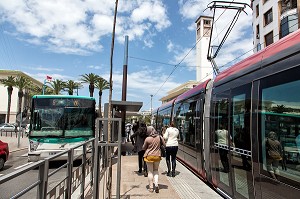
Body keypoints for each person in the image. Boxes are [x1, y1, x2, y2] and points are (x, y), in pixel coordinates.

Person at [142, 126, 166, 193]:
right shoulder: (159, 137)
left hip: (149, 156)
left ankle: (151, 187)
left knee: (150, 172)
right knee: (156, 170)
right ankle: (156, 184)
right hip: (157, 156)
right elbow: (164, 145)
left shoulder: (147, 139)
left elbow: (143, 148)